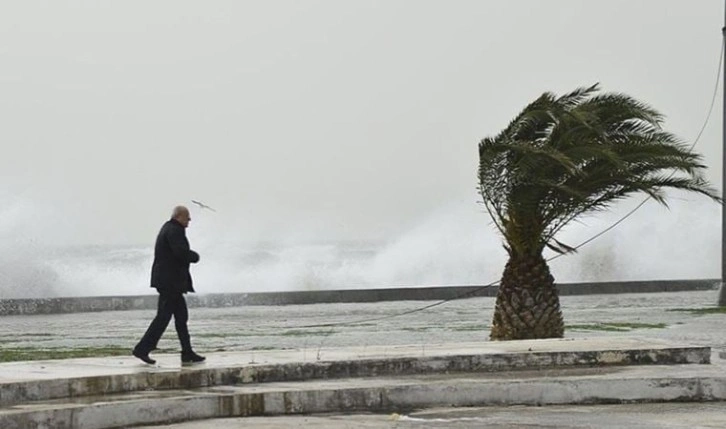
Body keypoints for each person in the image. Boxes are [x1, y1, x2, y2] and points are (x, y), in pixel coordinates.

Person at [133, 205, 206, 365]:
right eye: (187, 217)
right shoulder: (175, 230)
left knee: (181, 318)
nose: (190, 220)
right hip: (170, 283)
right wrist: (194, 256)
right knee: (163, 318)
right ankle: (142, 349)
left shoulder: (169, 228)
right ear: (179, 216)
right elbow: (180, 252)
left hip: (170, 282)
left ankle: (187, 352)